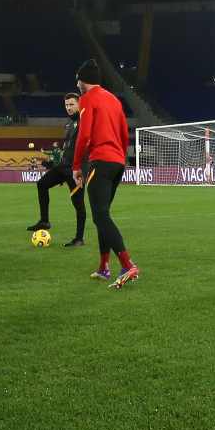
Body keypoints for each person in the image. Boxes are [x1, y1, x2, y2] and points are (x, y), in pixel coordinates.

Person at [72, 59, 139, 290]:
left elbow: (84, 136)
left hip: (101, 161)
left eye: (78, 80)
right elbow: (123, 133)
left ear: (83, 81)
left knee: (100, 216)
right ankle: (103, 267)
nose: (77, 85)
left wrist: (75, 167)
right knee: (103, 214)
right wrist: (121, 160)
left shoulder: (87, 99)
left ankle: (127, 264)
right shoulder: (113, 100)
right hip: (117, 162)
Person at [28, 92, 86, 247]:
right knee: (41, 184)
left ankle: (79, 238)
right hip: (63, 167)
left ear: (80, 104)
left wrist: (83, 169)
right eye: (66, 105)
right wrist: (52, 165)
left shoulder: (85, 122)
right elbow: (67, 149)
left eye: (72, 104)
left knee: (78, 204)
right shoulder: (69, 124)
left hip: (76, 169)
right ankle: (45, 221)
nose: (68, 107)